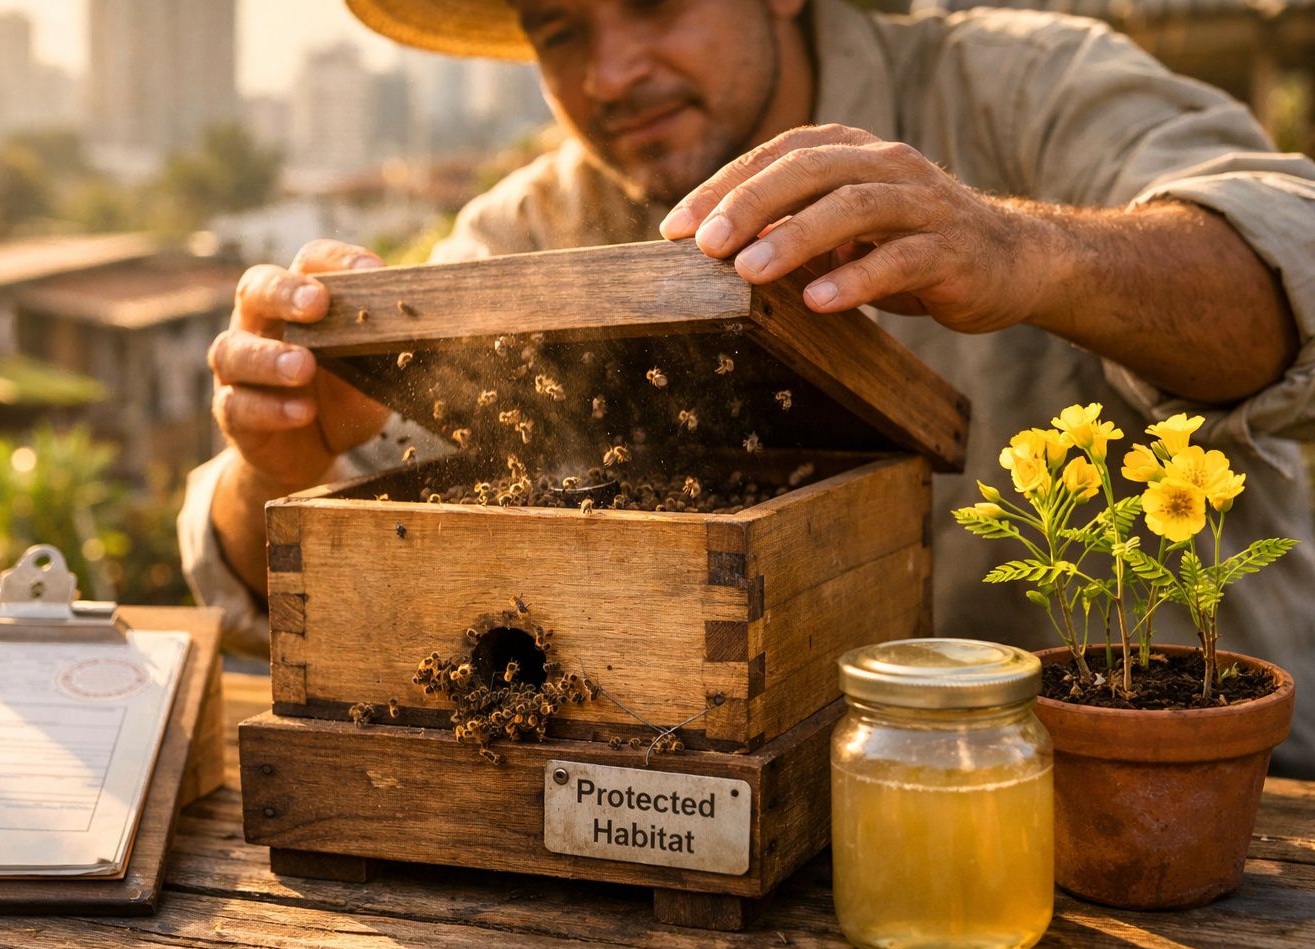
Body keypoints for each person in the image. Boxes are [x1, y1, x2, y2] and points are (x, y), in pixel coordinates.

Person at [179, 0, 1315, 776]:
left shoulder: (1021, 83)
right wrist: (275, 458)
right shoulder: (530, 227)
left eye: (654, 1)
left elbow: (1288, 254)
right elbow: (303, 579)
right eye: (560, 26)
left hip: (1192, 816)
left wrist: (1027, 251)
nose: (610, 74)